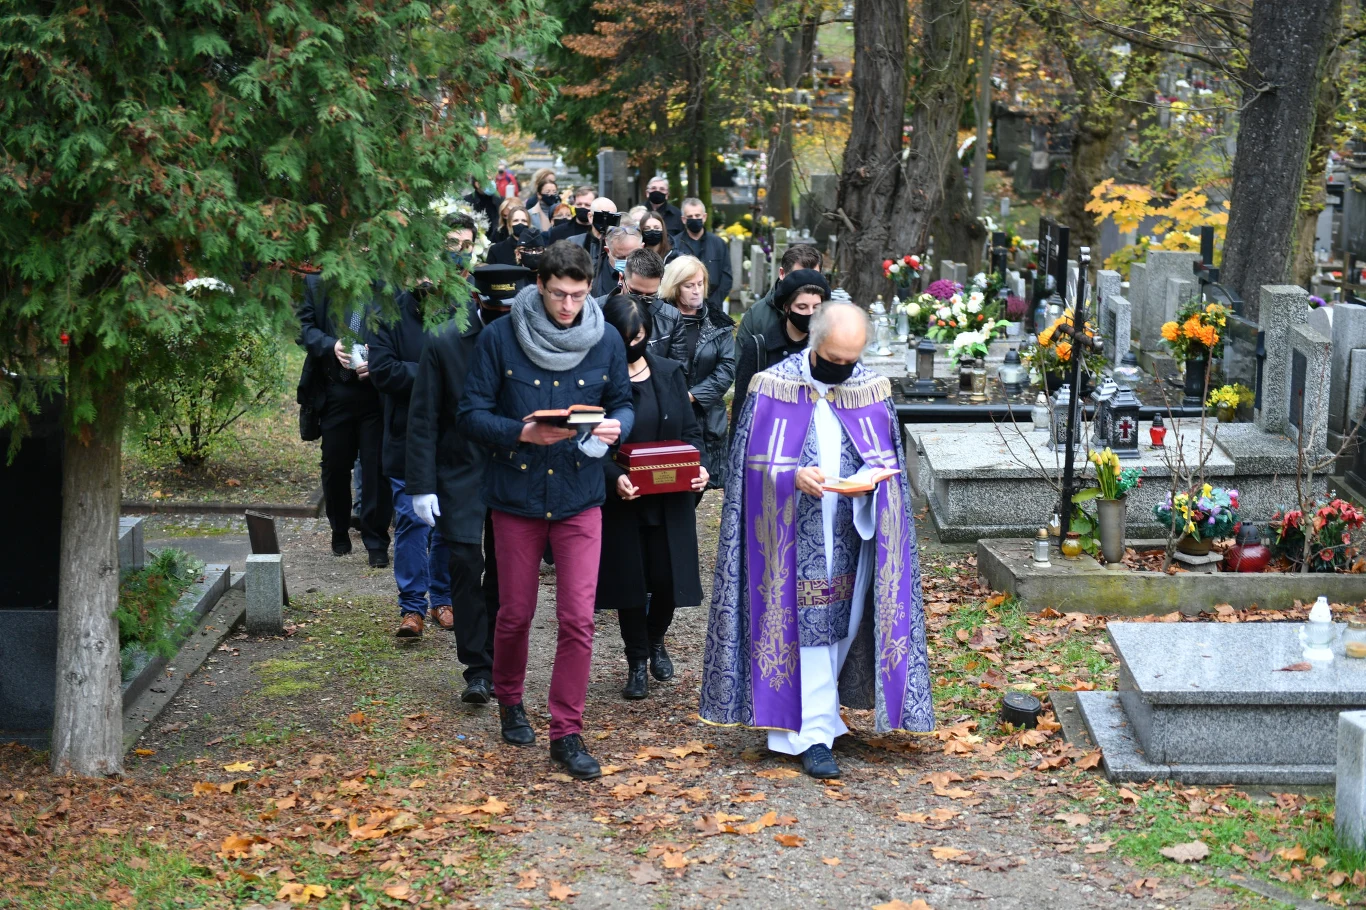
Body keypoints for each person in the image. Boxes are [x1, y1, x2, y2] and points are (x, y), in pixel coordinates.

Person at [700, 301, 933, 779]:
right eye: (835, 359)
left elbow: (886, 458)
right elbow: (746, 470)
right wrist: (789, 476)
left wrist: (873, 482)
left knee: (840, 624)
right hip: (787, 536)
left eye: (853, 360)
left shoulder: (870, 389)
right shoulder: (773, 388)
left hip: (851, 530)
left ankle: (820, 719)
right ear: (813, 341)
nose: (844, 370)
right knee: (803, 627)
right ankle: (812, 735)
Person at [456, 241, 634, 781]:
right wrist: (521, 434)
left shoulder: (605, 338)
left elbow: (624, 401)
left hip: (580, 496)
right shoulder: (498, 337)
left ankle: (567, 731)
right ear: (540, 285)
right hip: (517, 496)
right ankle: (510, 699)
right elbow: (470, 414)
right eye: (558, 293)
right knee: (515, 613)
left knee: (578, 618)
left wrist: (616, 427)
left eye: (578, 295)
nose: (567, 306)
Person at [408, 263, 528, 703]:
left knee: (504, 569)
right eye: (495, 310)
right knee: (463, 562)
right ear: (478, 302)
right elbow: (422, 419)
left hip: (513, 468)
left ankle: (497, 661)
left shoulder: (528, 338)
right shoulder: (444, 342)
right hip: (459, 471)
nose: (502, 320)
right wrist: (421, 485)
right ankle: (477, 667)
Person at [366, 215, 476, 638]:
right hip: (405, 433)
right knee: (413, 520)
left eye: (466, 244)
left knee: (447, 521)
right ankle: (410, 607)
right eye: (451, 242)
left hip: (452, 436)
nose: (458, 251)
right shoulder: (389, 309)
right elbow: (382, 370)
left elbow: (471, 367)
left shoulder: (464, 304)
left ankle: (442, 598)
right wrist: (433, 375)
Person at [596, 295, 706, 699]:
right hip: (625, 500)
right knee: (632, 580)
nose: (630, 344)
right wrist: (612, 477)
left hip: (669, 496)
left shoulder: (669, 373)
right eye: (622, 338)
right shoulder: (598, 380)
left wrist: (701, 468)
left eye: (637, 336)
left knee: (666, 578)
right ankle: (637, 660)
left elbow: (691, 434)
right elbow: (589, 443)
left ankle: (656, 638)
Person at [297, 274, 394, 566]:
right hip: (334, 392)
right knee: (335, 465)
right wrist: (330, 345)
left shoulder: (388, 284)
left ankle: (376, 541)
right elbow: (303, 328)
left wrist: (377, 359)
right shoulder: (317, 284)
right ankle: (339, 530)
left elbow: (399, 333)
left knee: (377, 467)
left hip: (374, 394)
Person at [660, 256, 735, 489]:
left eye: (700, 284)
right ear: (675, 286)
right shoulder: (661, 318)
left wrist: (693, 395)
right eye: (688, 285)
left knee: (700, 481)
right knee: (667, 479)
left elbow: (728, 366)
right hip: (667, 411)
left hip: (706, 415)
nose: (696, 291)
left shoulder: (717, 322)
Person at [730, 269, 829, 439]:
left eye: (816, 307)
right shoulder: (758, 347)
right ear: (787, 307)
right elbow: (741, 411)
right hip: (769, 443)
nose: (810, 313)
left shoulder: (827, 349)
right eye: (802, 307)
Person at [737, 244, 823, 345]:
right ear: (782, 273)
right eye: (798, 277)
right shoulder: (756, 315)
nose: (806, 284)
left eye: (814, 277)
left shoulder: (831, 315)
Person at [671, 197, 732, 310]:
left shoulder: (718, 244)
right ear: (683, 219)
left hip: (713, 307)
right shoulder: (674, 244)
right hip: (682, 308)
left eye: (697, 216)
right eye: (690, 217)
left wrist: (712, 305)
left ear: (704, 217)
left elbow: (726, 277)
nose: (694, 219)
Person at [591, 225, 642, 299]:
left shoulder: (652, 273)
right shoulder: (592, 273)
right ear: (607, 250)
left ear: (642, 248)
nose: (627, 262)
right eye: (621, 258)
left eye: (633, 256)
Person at [569, 197, 619, 272]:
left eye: (611, 217)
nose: (605, 220)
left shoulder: (618, 244)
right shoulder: (573, 243)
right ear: (590, 217)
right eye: (601, 216)